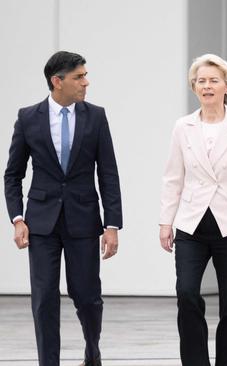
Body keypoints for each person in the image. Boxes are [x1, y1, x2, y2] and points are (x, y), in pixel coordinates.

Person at [4, 51, 122, 366]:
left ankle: (92, 349)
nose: (86, 82)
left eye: (85, 75)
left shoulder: (96, 116)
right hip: (41, 223)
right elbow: (13, 175)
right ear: (58, 82)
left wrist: (112, 225)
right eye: (79, 77)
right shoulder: (28, 117)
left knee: (87, 296)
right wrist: (17, 218)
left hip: (84, 221)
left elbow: (108, 173)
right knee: (43, 300)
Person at [159, 54, 227, 366]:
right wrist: (166, 222)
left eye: (213, 80)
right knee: (187, 293)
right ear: (194, 87)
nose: (207, 86)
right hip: (191, 224)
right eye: (201, 81)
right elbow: (172, 176)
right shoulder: (183, 126)